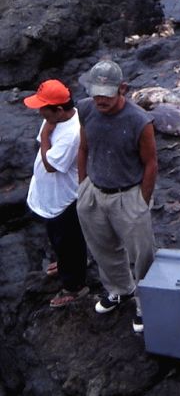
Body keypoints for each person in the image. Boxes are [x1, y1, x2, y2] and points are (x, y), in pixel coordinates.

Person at [75, 59, 157, 334]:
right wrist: (83, 185)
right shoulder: (86, 110)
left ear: (122, 89)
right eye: (95, 92)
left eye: (106, 93)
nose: (100, 99)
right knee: (102, 248)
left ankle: (146, 304)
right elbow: (84, 148)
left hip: (128, 195)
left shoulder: (139, 121)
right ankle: (118, 289)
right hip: (94, 192)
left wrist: (142, 201)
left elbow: (151, 163)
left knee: (142, 255)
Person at [24, 79, 89, 309]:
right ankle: (64, 263)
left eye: (44, 108)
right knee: (57, 238)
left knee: (69, 240)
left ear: (59, 109)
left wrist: (44, 138)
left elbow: (51, 164)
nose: (40, 112)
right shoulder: (52, 119)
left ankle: (75, 287)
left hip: (64, 198)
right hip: (48, 193)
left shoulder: (72, 133)